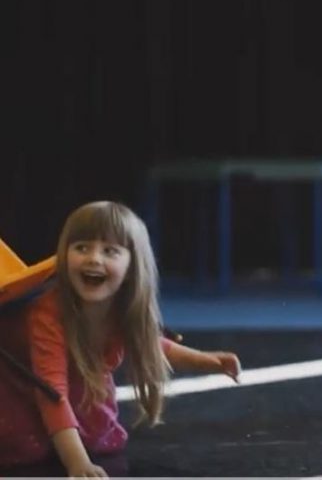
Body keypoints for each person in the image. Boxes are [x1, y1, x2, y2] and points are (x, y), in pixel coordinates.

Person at [0, 201, 241, 477]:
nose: (94, 258)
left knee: (99, 438)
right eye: (81, 248)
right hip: (12, 377)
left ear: (131, 268)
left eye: (110, 251)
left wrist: (208, 361)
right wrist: (78, 464)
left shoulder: (122, 308)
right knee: (24, 449)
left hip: (60, 375)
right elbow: (50, 390)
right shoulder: (49, 313)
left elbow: (149, 343)